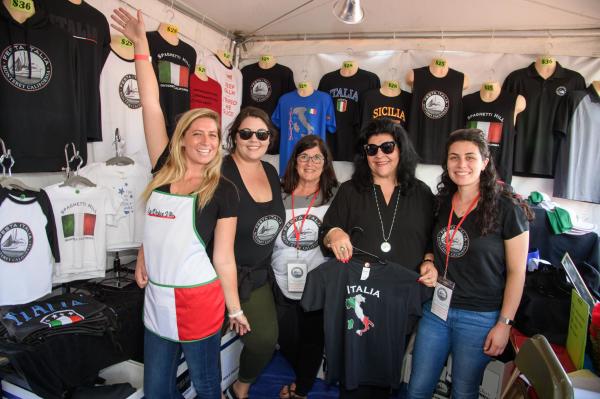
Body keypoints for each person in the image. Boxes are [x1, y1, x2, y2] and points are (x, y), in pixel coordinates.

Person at [110, 8, 249, 399]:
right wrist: (141, 45)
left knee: (206, 386)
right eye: (198, 132)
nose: (207, 140)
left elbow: (223, 258)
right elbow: (151, 106)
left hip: (199, 302)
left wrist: (234, 309)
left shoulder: (224, 191)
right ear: (183, 138)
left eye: (213, 134)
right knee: (157, 390)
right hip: (156, 298)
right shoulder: (163, 170)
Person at [407, 129, 531, 399]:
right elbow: (430, 244)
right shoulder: (440, 203)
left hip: (480, 317)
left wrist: (504, 324)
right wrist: (428, 261)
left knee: (463, 391)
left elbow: (517, 271)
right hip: (436, 311)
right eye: (454, 157)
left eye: (470, 157)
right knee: (417, 388)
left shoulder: (508, 209)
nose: (461, 165)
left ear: (485, 162)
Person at [320, 117, 438, 397]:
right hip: (358, 298)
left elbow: (434, 237)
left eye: (387, 147)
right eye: (371, 150)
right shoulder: (350, 190)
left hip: (401, 300)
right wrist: (335, 234)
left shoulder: (421, 193)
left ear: (401, 150)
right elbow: (326, 230)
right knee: (353, 372)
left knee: (387, 371)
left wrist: (430, 259)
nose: (380, 155)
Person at [222, 106, 286, 399]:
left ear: (269, 138)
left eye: (262, 134)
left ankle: (240, 388)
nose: (254, 139)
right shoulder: (220, 171)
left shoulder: (271, 171)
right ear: (235, 136)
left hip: (256, 275)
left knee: (264, 340)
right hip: (217, 274)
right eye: (246, 133)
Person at [271, 135, 338, 399]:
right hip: (279, 279)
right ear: (295, 161)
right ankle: (308, 369)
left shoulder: (335, 194)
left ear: (326, 163)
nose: (310, 163)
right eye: (304, 156)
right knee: (285, 338)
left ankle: (303, 388)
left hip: (317, 282)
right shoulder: (277, 192)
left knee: (313, 338)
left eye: (317, 157)